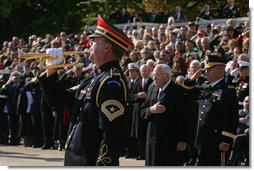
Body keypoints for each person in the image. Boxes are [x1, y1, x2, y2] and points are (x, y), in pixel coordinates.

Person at [39, 15, 134, 166]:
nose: (89, 45)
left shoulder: (111, 82)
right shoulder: (95, 78)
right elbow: (60, 100)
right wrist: (52, 69)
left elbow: (111, 135)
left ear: (108, 47)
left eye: (94, 42)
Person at [184, 55, 239, 166]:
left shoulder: (228, 90)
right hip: (201, 141)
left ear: (219, 70)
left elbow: (231, 117)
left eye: (209, 69)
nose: (205, 71)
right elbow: (188, 93)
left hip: (217, 142)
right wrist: (191, 79)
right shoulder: (205, 86)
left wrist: (226, 139)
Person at [140, 64, 187, 166]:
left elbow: (183, 117)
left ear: (167, 76)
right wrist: (151, 110)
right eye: (153, 75)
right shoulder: (152, 89)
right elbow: (142, 110)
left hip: (169, 141)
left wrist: (182, 140)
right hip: (152, 138)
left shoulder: (177, 91)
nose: (154, 78)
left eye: (157, 75)